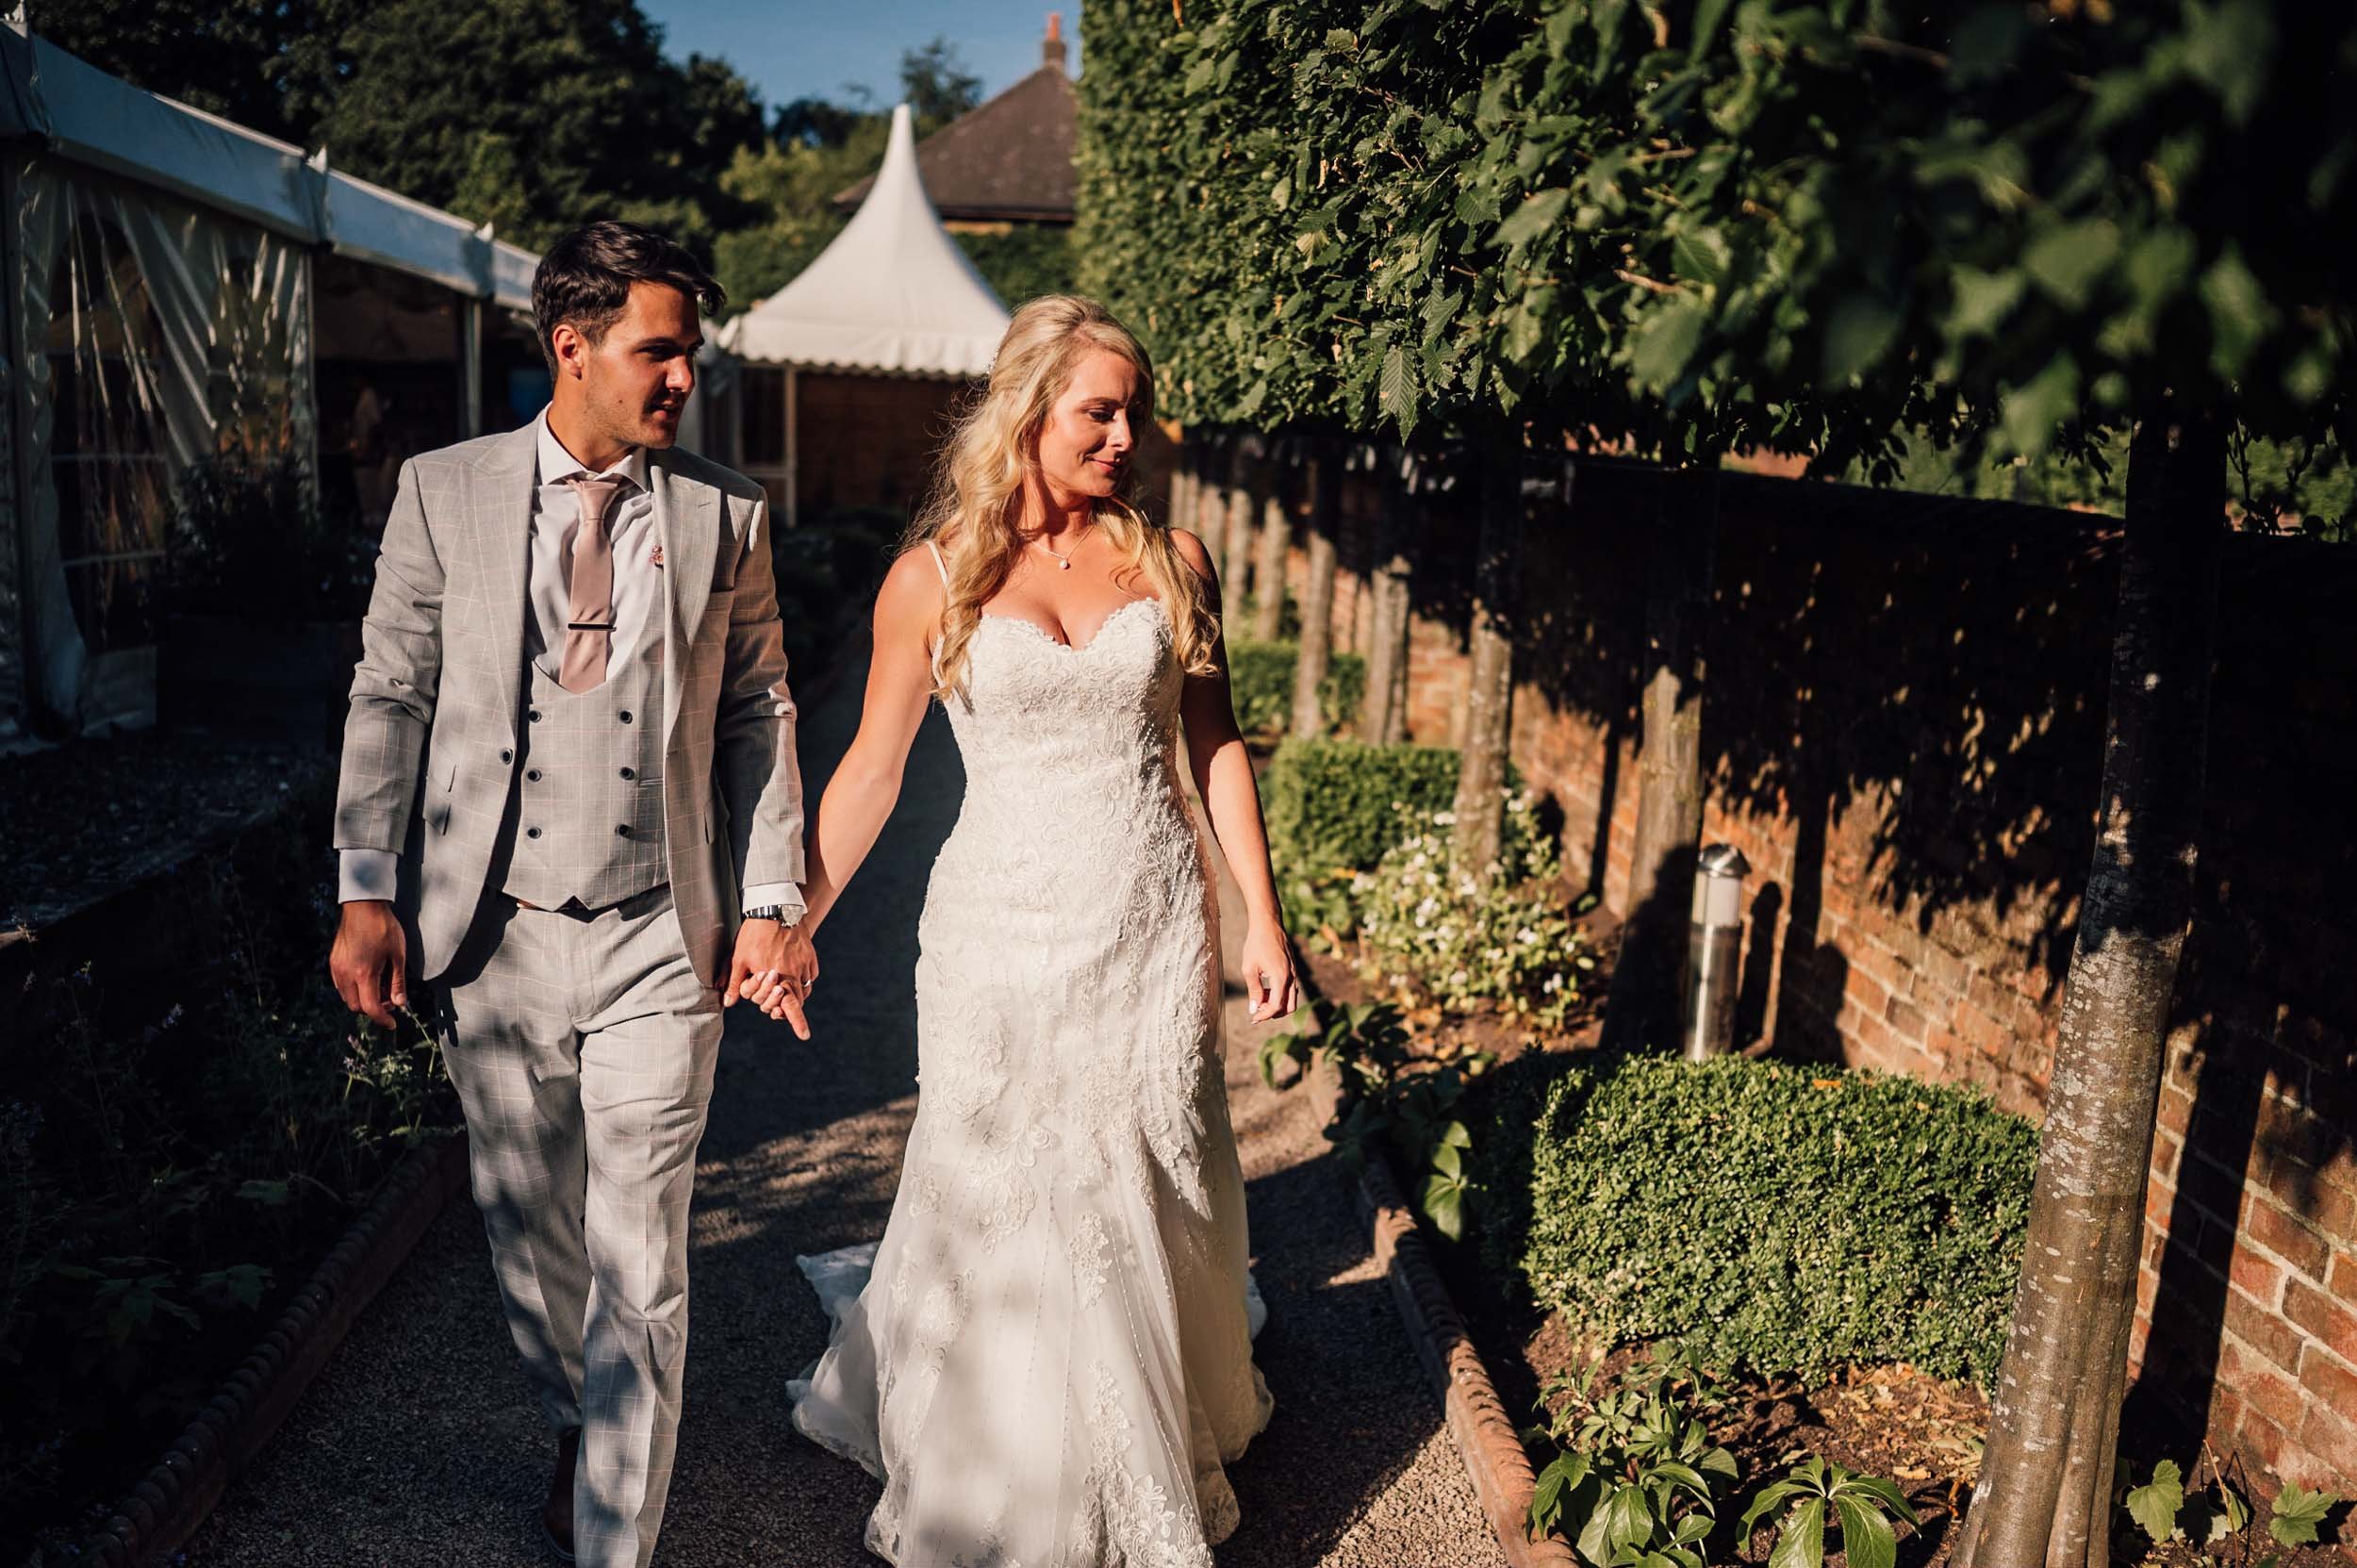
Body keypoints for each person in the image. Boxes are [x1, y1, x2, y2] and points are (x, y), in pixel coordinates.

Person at [326, 220, 818, 1568]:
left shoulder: (727, 512)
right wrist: (369, 887)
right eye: (659, 351)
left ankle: (616, 1534)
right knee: (532, 1231)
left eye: (691, 354)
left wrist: (773, 891)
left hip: (667, 929)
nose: (683, 379)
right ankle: (574, 1416)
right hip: (496, 933)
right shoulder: (447, 491)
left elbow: (761, 708)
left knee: (644, 1255)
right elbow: (391, 691)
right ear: (573, 347)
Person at [785, 295, 1300, 1565]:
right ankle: (998, 1471)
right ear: (1028, 413)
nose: (1127, 436)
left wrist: (1261, 919)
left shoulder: (1175, 563)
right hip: (998, 928)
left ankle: (1145, 1433)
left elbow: (1215, 744)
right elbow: (870, 776)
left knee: (1147, 1170)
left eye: (1134, 413)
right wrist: (791, 920)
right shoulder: (934, 576)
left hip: (1147, 919)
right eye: (1099, 413)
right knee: (1009, 1176)